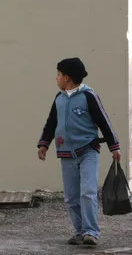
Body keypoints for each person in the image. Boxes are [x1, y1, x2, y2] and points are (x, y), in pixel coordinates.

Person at [37, 57, 121, 246]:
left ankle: (91, 232)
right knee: (72, 196)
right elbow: (51, 123)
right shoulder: (59, 99)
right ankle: (79, 231)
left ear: (67, 77)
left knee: (88, 192)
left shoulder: (88, 96)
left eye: (58, 75)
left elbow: (103, 121)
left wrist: (114, 146)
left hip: (88, 151)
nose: (56, 78)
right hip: (66, 154)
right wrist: (44, 144)